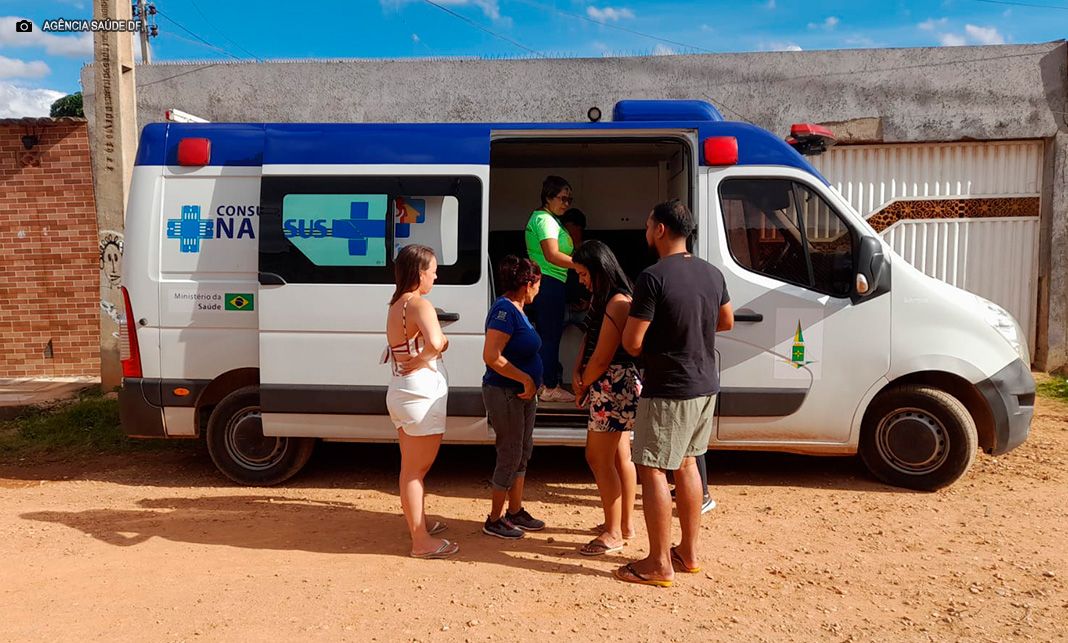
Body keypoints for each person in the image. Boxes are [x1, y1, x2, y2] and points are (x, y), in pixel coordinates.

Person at [614, 199, 734, 587]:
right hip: (705, 383)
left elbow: (632, 342)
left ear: (660, 230)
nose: (647, 232)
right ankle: (689, 553)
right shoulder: (712, 273)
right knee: (687, 463)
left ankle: (658, 563)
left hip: (669, 387)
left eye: (649, 225)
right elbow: (726, 321)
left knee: (651, 468)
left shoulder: (652, 277)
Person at [384, 244, 458, 559]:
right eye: (433, 270)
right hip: (419, 392)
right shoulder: (420, 304)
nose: (436, 275)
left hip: (401, 391)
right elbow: (437, 341)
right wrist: (429, 354)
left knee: (411, 467)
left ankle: (421, 524)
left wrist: (421, 355)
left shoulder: (396, 304)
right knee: (416, 470)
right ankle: (420, 540)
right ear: (419, 273)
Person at [571, 240, 640, 556]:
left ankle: (614, 531)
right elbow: (591, 339)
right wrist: (578, 370)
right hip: (611, 385)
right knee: (617, 457)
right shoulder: (609, 300)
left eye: (584, 274)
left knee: (598, 458)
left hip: (611, 385)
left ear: (599, 271)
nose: (582, 280)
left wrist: (584, 382)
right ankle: (624, 525)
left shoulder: (617, 303)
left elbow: (603, 355)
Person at [481, 256, 548, 539]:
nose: (539, 290)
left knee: (522, 450)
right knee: (509, 452)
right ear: (528, 283)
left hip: (521, 393)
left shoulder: (518, 310)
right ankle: (494, 518)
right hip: (505, 392)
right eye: (538, 284)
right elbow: (491, 356)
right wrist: (524, 379)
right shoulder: (504, 311)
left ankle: (515, 510)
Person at [525, 176, 577, 403]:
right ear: (548, 197)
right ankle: (549, 387)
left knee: (550, 335)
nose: (566, 203)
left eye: (570, 199)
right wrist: (583, 265)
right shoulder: (545, 220)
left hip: (552, 282)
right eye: (562, 198)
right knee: (550, 336)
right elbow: (552, 255)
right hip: (549, 281)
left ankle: (546, 384)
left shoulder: (548, 219)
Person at [560, 208, 592, 327]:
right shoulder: (557, 252)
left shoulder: (590, 251)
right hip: (562, 305)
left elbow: (602, 281)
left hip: (585, 308)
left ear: (578, 227)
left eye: (568, 228)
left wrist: (590, 302)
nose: (565, 233)